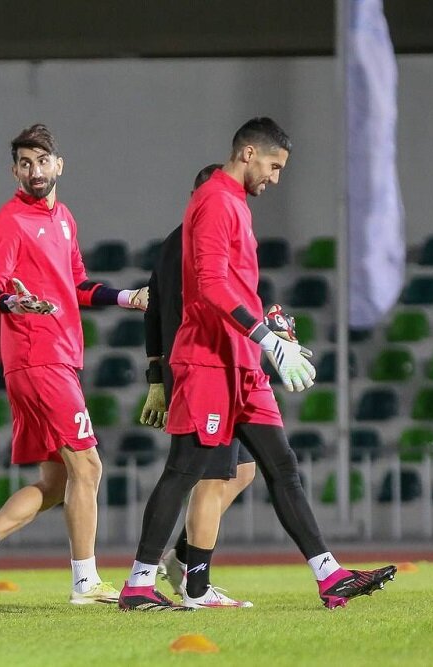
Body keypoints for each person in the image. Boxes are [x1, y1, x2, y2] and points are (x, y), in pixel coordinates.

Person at [118, 118, 397, 611]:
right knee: (185, 470)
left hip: (243, 361)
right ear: (248, 153)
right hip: (208, 361)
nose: (275, 177)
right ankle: (139, 585)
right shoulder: (213, 200)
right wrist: (266, 337)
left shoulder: (235, 205)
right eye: (274, 165)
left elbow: (235, 287)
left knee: (282, 467)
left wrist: (271, 327)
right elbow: (208, 283)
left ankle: (329, 577)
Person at [0, 123, 148, 606]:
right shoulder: (9, 222)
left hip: (54, 357)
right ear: (15, 170)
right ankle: (86, 583)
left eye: (42, 161)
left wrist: (125, 297)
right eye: (25, 163)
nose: (35, 170)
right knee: (90, 466)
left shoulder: (64, 219)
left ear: (59, 165)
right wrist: (13, 304)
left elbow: (76, 284)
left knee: (55, 483)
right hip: (39, 357)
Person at [139, 164, 257, 607]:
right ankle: (192, 581)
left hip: (197, 366)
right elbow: (165, 309)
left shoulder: (175, 241)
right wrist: (160, 377)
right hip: (203, 366)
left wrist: (156, 375)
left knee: (240, 469)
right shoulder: (191, 243)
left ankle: (184, 556)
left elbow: (152, 312)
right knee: (207, 476)